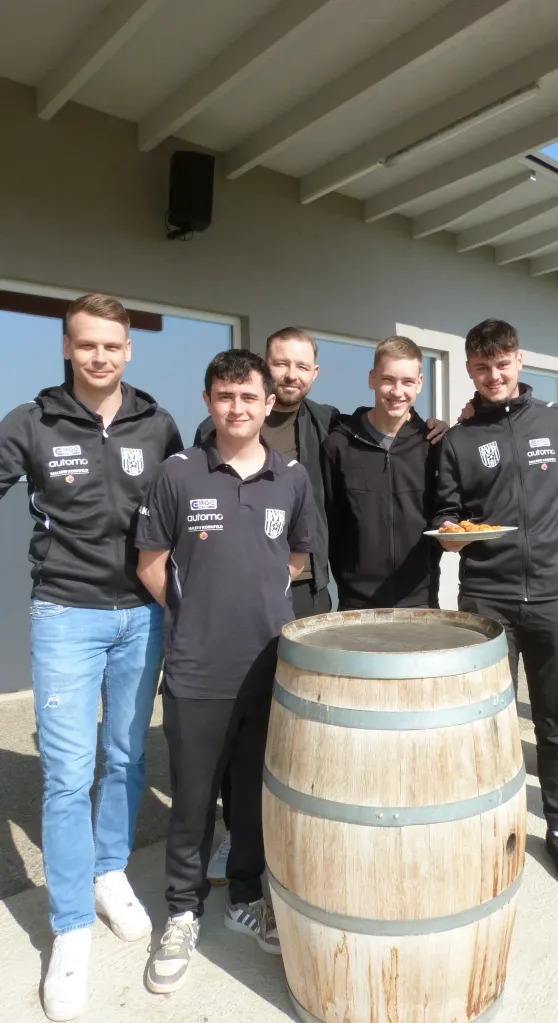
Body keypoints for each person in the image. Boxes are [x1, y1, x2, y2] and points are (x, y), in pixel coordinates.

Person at [201, 327, 448, 882]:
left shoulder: (326, 425)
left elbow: (379, 428)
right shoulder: (223, 426)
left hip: (307, 590)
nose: (289, 374)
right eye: (280, 364)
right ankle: (237, 832)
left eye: (300, 366)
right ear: (266, 368)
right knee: (242, 714)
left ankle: (300, 815)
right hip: (239, 595)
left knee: (305, 712)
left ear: (314, 374)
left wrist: (438, 422)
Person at [0, 293, 183, 1021]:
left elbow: (188, 507)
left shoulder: (156, 420)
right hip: (66, 615)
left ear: (128, 347)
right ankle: (70, 925)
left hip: (141, 616)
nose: (100, 357)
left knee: (126, 757)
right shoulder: (32, 421)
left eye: (112, 345)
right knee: (69, 773)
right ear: (68, 348)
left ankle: (110, 871)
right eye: (87, 345)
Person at [136, 349, 315, 993]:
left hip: (268, 670)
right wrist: (199, 615)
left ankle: (245, 897)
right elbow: (151, 563)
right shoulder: (177, 474)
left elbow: (295, 557)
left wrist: (252, 601)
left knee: (250, 797)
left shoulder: (292, 477)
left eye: (248, 398)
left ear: (269, 404)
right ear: (208, 401)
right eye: (224, 397)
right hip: (196, 668)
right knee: (191, 802)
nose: (236, 409)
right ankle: (181, 911)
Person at [433, 318, 558, 887]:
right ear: (470, 370)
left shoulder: (554, 421)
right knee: (487, 724)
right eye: (481, 367)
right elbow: (445, 515)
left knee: (554, 722)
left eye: (502, 364)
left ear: (519, 361)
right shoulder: (458, 439)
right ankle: (488, 826)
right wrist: (450, 531)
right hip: (486, 600)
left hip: (551, 597)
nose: (493, 375)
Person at [322, 335, 440, 610]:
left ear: (420, 383)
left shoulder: (434, 445)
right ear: (372, 378)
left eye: (407, 382)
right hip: (356, 606)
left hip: (420, 604)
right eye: (388, 379)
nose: (397, 391)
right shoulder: (338, 446)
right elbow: (329, 525)